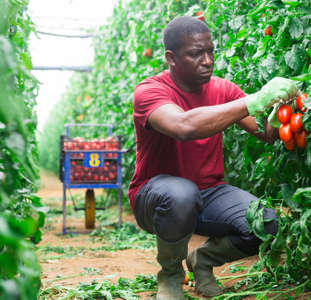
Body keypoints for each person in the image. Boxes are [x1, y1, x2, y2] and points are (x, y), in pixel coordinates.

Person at [128, 16, 299, 300]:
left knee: (267, 223)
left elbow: (266, 132)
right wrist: (253, 100)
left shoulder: (223, 90)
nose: (207, 60)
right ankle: (170, 275)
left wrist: (281, 105)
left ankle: (203, 261)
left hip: (209, 194)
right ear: (171, 58)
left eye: (211, 51)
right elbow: (183, 126)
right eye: (196, 54)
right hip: (155, 196)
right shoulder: (150, 92)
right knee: (181, 194)